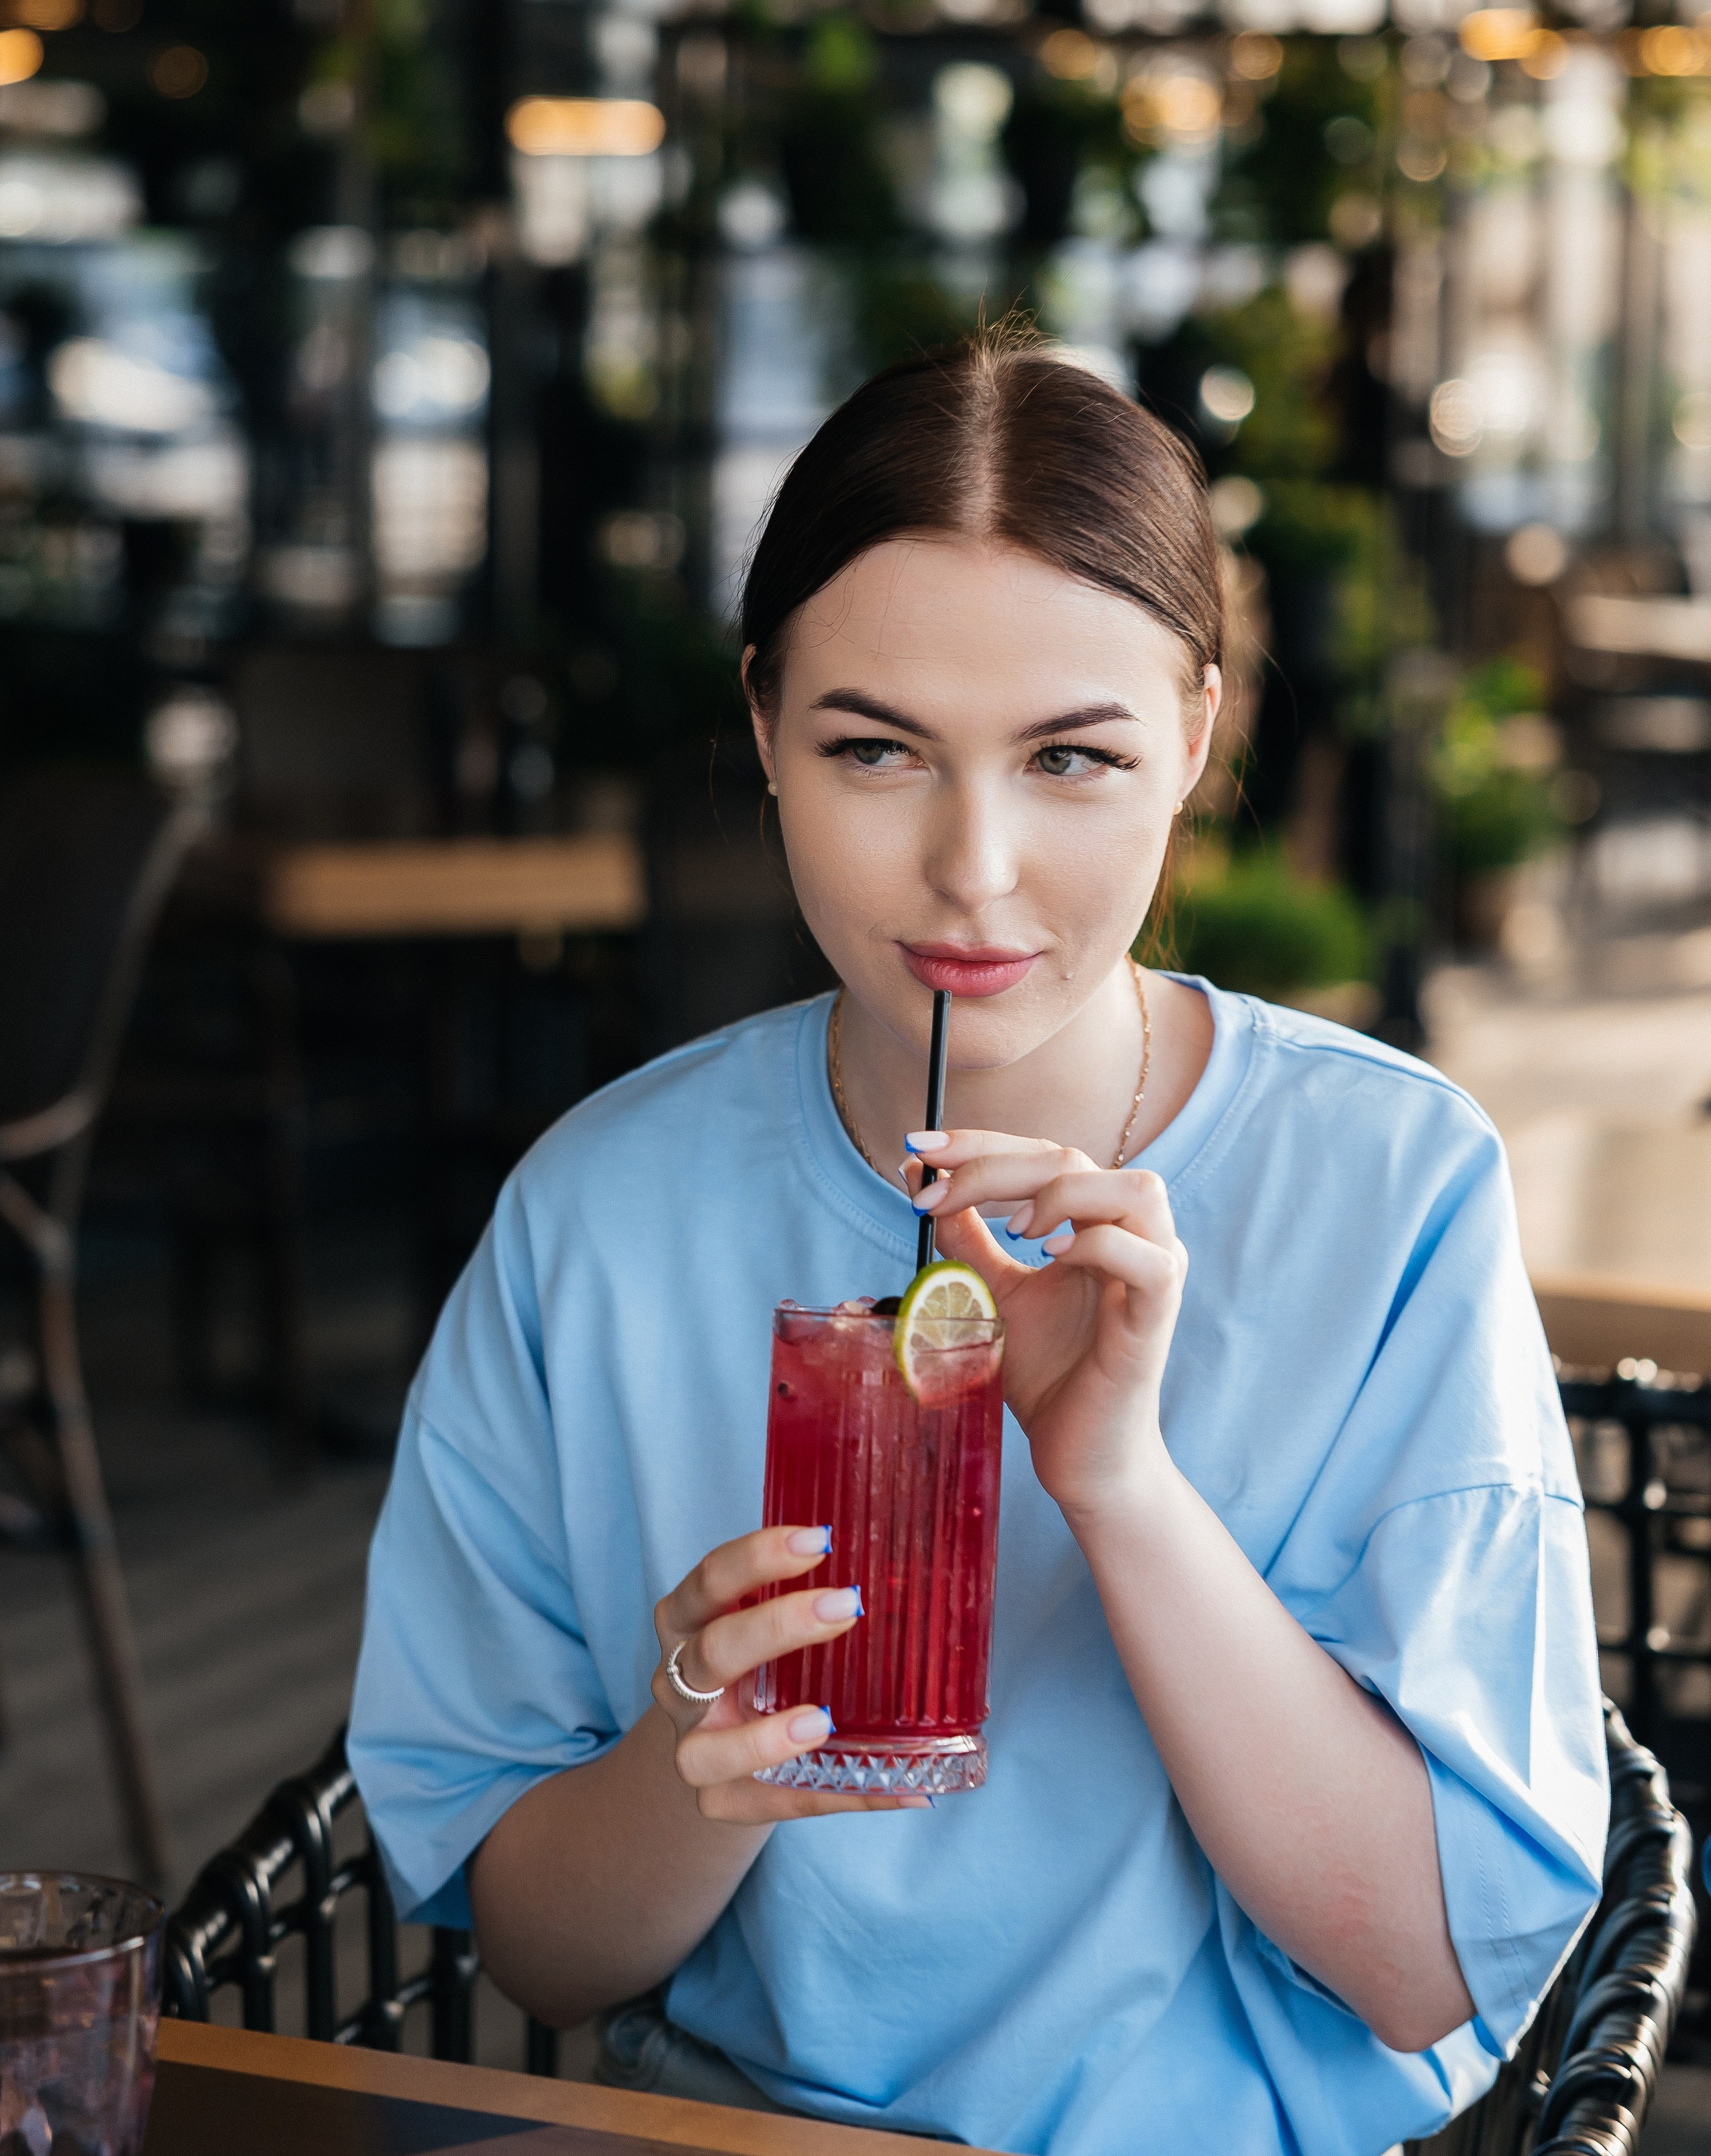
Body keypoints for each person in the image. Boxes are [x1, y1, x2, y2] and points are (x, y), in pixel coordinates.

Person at [350, 335, 1607, 2156]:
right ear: (766, 728)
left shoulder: (1393, 1185)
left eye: (1072, 758)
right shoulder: (597, 1213)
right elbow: (543, 1959)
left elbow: (1422, 1969)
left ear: (1194, 733)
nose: (976, 870)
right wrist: (699, 1746)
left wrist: (1117, 1483)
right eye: (876, 748)